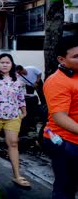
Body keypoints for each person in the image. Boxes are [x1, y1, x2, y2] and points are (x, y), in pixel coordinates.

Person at [0, 53, 30, 188]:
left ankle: (17, 175)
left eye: (8, 62)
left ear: (12, 64)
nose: (5, 65)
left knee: (13, 143)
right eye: (2, 62)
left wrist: (24, 110)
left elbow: (21, 96)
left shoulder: (17, 78)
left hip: (13, 116)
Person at [42, 35, 78, 199]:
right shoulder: (57, 81)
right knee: (65, 188)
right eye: (76, 56)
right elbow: (60, 117)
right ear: (61, 59)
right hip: (65, 142)